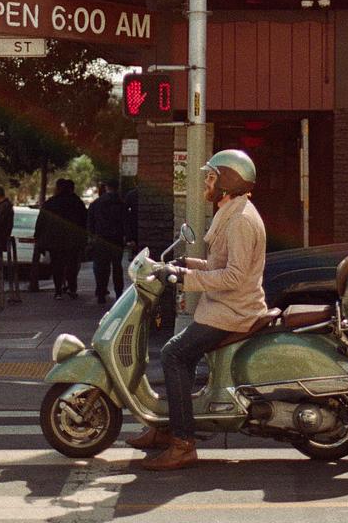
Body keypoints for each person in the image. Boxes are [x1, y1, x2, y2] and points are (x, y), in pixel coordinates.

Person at [129, 149, 268, 471]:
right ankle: (168, 427)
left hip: (234, 310)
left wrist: (185, 278)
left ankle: (182, 444)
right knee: (181, 355)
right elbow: (220, 265)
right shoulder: (233, 212)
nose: (207, 183)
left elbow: (233, 277)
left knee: (173, 354)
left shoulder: (241, 220)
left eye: (212, 177)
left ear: (228, 181)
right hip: (225, 307)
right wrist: (184, 264)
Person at [35, 178, 87, 300]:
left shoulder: (50, 203)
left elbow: (41, 222)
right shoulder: (77, 203)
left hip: (55, 241)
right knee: (72, 265)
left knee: (57, 266)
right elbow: (84, 222)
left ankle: (58, 291)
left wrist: (39, 238)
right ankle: (72, 288)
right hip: (73, 241)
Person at [87, 178, 126, 304]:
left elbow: (90, 223)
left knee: (101, 267)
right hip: (117, 239)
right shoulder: (121, 204)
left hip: (101, 239)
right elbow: (126, 222)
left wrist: (92, 238)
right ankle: (119, 293)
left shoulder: (96, 203)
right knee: (117, 267)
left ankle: (101, 293)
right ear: (117, 187)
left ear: (106, 187)